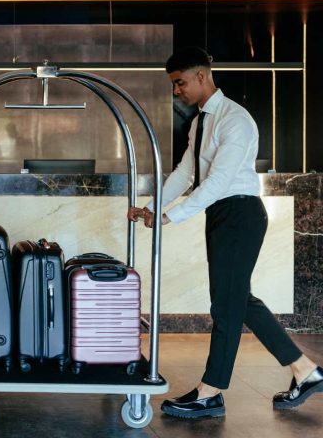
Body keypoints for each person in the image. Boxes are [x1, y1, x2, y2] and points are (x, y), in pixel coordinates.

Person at [128, 46, 322, 418]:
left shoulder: (236, 119)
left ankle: (210, 392)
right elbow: (186, 173)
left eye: (180, 83)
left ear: (201, 76)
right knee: (237, 300)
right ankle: (305, 370)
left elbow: (217, 182)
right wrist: (152, 207)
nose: (177, 91)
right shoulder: (200, 123)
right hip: (222, 214)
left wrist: (170, 217)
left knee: (226, 306)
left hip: (240, 214)